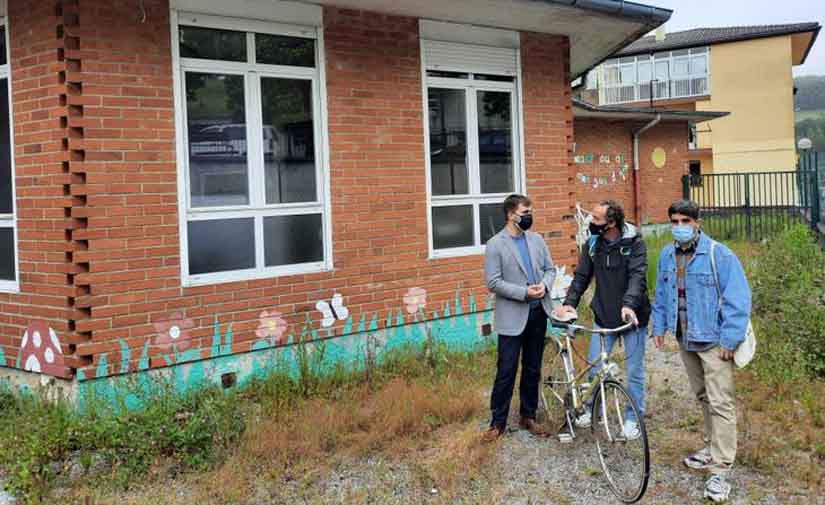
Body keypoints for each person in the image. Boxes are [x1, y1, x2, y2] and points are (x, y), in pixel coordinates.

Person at [652, 199, 751, 503]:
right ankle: (711, 448)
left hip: (714, 342)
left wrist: (729, 340)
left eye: (685, 221)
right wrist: (659, 327)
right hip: (686, 339)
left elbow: (738, 299)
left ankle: (720, 469)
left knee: (721, 402)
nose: (679, 227)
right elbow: (661, 293)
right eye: (674, 221)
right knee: (703, 397)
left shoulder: (719, 255)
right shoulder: (668, 255)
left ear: (698, 222)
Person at [554, 200, 650, 440]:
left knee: (635, 371)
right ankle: (589, 410)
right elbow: (581, 277)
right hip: (603, 315)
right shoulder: (593, 245)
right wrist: (569, 304)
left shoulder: (635, 244)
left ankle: (632, 419)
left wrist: (629, 305)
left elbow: (638, 277)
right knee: (596, 368)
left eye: (596, 219)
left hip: (632, 317)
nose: (591, 223)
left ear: (612, 223)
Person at [483, 194, 556, 441]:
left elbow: (550, 269)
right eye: (525, 213)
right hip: (512, 317)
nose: (529, 217)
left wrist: (544, 286)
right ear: (510, 215)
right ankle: (497, 423)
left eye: (530, 212)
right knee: (506, 370)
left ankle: (528, 416)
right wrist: (524, 293)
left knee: (533, 368)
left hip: (538, 313)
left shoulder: (536, 240)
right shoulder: (495, 244)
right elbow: (493, 282)